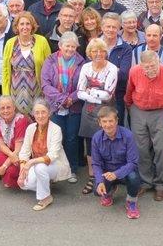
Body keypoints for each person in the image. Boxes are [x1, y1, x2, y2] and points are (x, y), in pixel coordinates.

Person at [125, 50, 163, 201]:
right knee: (141, 148)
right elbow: (129, 92)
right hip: (139, 111)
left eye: (153, 66)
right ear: (141, 66)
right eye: (147, 67)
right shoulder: (134, 71)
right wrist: (130, 109)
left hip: (161, 112)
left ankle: (161, 185)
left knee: (160, 149)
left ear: (159, 62)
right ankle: (145, 181)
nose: (150, 70)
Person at [41, 32, 85, 182]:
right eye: (67, 46)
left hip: (74, 107)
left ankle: (72, 170)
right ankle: (56, 170)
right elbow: (45, 84)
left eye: (73, 46)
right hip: (55, 106)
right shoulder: (50, 60)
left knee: (72, 139)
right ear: (60, 46)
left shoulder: (82, 62)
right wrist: (63, 99)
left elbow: (83, 86)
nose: (70, 49)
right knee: (56, 139)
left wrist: (71, 99)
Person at [77, 38, 118, 195]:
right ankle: (93, 177)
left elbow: (108, 95)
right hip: (88, 111)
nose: (98, 54)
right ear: (89, 53)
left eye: (101, 50)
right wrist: (95, 95)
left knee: (107, 142)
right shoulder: (86, 67)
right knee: (90, 144)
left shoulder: (112, 68)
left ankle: (109, 177)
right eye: (95, 51)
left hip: (106, 110)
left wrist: (90, 92)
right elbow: (80, 92)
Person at [18, 98, 72, 211]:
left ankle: (46, 198)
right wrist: (22, 170)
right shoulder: (30, 128)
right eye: (37, 112)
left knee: (40, 168)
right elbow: (24, 151)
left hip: (55, 165)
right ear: (33, 114)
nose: (40, 116)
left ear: (49, 113)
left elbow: (52, 156)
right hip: (38, 165)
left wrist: (31, 162)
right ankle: (45, 183)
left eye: (43, 112)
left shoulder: (56, 129)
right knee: (24, 185)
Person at [91, 106, 141, 219]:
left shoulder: (128, 135)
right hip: (107, 172)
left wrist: (116, 174)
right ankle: (109, 190)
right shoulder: (96, 138)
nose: (108, 125)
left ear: (117, 121)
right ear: (99, 123)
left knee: (133, 178)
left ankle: (131, 202)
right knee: (96, 190)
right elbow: (96, 163)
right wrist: (99, 181)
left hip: (125, 171)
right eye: (104, 121)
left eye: (111, 121)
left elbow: (133, 162)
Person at [2, 12, 50, 116]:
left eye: (28, 24)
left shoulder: (42, 41)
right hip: (15, 90)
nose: (25, 27)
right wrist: (6, 94)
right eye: (22, 24)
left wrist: (47, 90)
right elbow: (5, 70)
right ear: (17, 27)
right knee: (18, 121)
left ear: (32, 26)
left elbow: (49, 67)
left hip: (36, 89)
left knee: (37, 118)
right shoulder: (10, 43)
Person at [0, 95, 30, 187]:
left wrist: (4, 166)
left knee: (11, 170)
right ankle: (8, 174)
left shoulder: (21, 120)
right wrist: (11, 156)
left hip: (23, 152)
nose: (5, 111)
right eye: (2, 108)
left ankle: (21, 180)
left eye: (8, 107)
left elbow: (19, 149)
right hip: (11, 152)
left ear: (14, 108)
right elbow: (1, 145)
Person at [100, 13, 133, 127]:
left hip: (117, 96)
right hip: (95, 97)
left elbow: (123, 75)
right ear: (102, 27)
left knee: (116, 129)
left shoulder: (126, 48)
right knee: (95, 132)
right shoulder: (94, 44)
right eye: (108, 26)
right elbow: (88, 72)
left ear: (119, 29)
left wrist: (100, 70)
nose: (110, 30)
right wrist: (115, 70)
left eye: (114, 27)